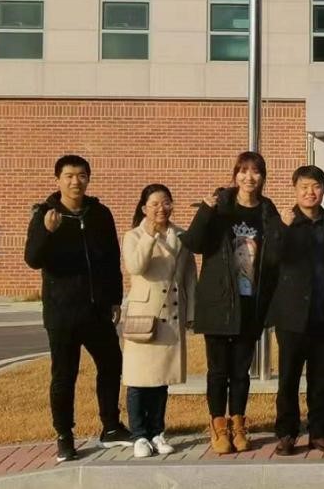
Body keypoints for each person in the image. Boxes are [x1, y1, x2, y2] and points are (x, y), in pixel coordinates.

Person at [24, 155, 131, 463]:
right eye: (69, 176)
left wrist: (115, 299)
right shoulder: (45, 214)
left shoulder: (100, 214)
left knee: (111, 364)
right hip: (62, 313)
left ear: (88, 179)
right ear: (58, 180)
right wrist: (47, 231)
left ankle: (111, 426)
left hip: (97, 309)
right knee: (64, 376)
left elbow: (111, 259)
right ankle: (64, 436)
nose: (76, 181)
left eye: (81, 175)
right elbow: (32, 259)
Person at [183, 151, 282, 454]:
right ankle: (218, 426)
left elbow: (275, 257)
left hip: (250, 302)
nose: (249, 177)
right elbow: (194, 243)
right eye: (243, 171)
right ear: (235, 174)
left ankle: (238, 423)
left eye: (255, 171)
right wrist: (205, 211)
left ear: (263, 177)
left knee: (241, 371)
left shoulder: (267, 210)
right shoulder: (221, 206)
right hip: (219, 301)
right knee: (218, 370)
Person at [268, 166, 324, 456]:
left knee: (320, 379)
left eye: (315, 186)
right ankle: (287, 433)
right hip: (292, 315)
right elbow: (270, 260)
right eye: (304, 187)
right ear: (295, 189)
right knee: (288, 378)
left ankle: (319, 432)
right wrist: (282, 229)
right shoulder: (283, 222)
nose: (310, 192)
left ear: (323, 189)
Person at [121, 184, 197, 458]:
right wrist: (150, 237)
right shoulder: (133, 235)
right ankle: (139, 435)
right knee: (138, 379)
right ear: (144, 208)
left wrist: (192, 313)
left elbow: (189, 276)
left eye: (166, 202)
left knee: (161, 379)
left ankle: (157, 431)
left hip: (171, 315)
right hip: (145, 316)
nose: (161, 209)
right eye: (154, 204)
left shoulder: (181, 235)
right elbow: (135, 266)